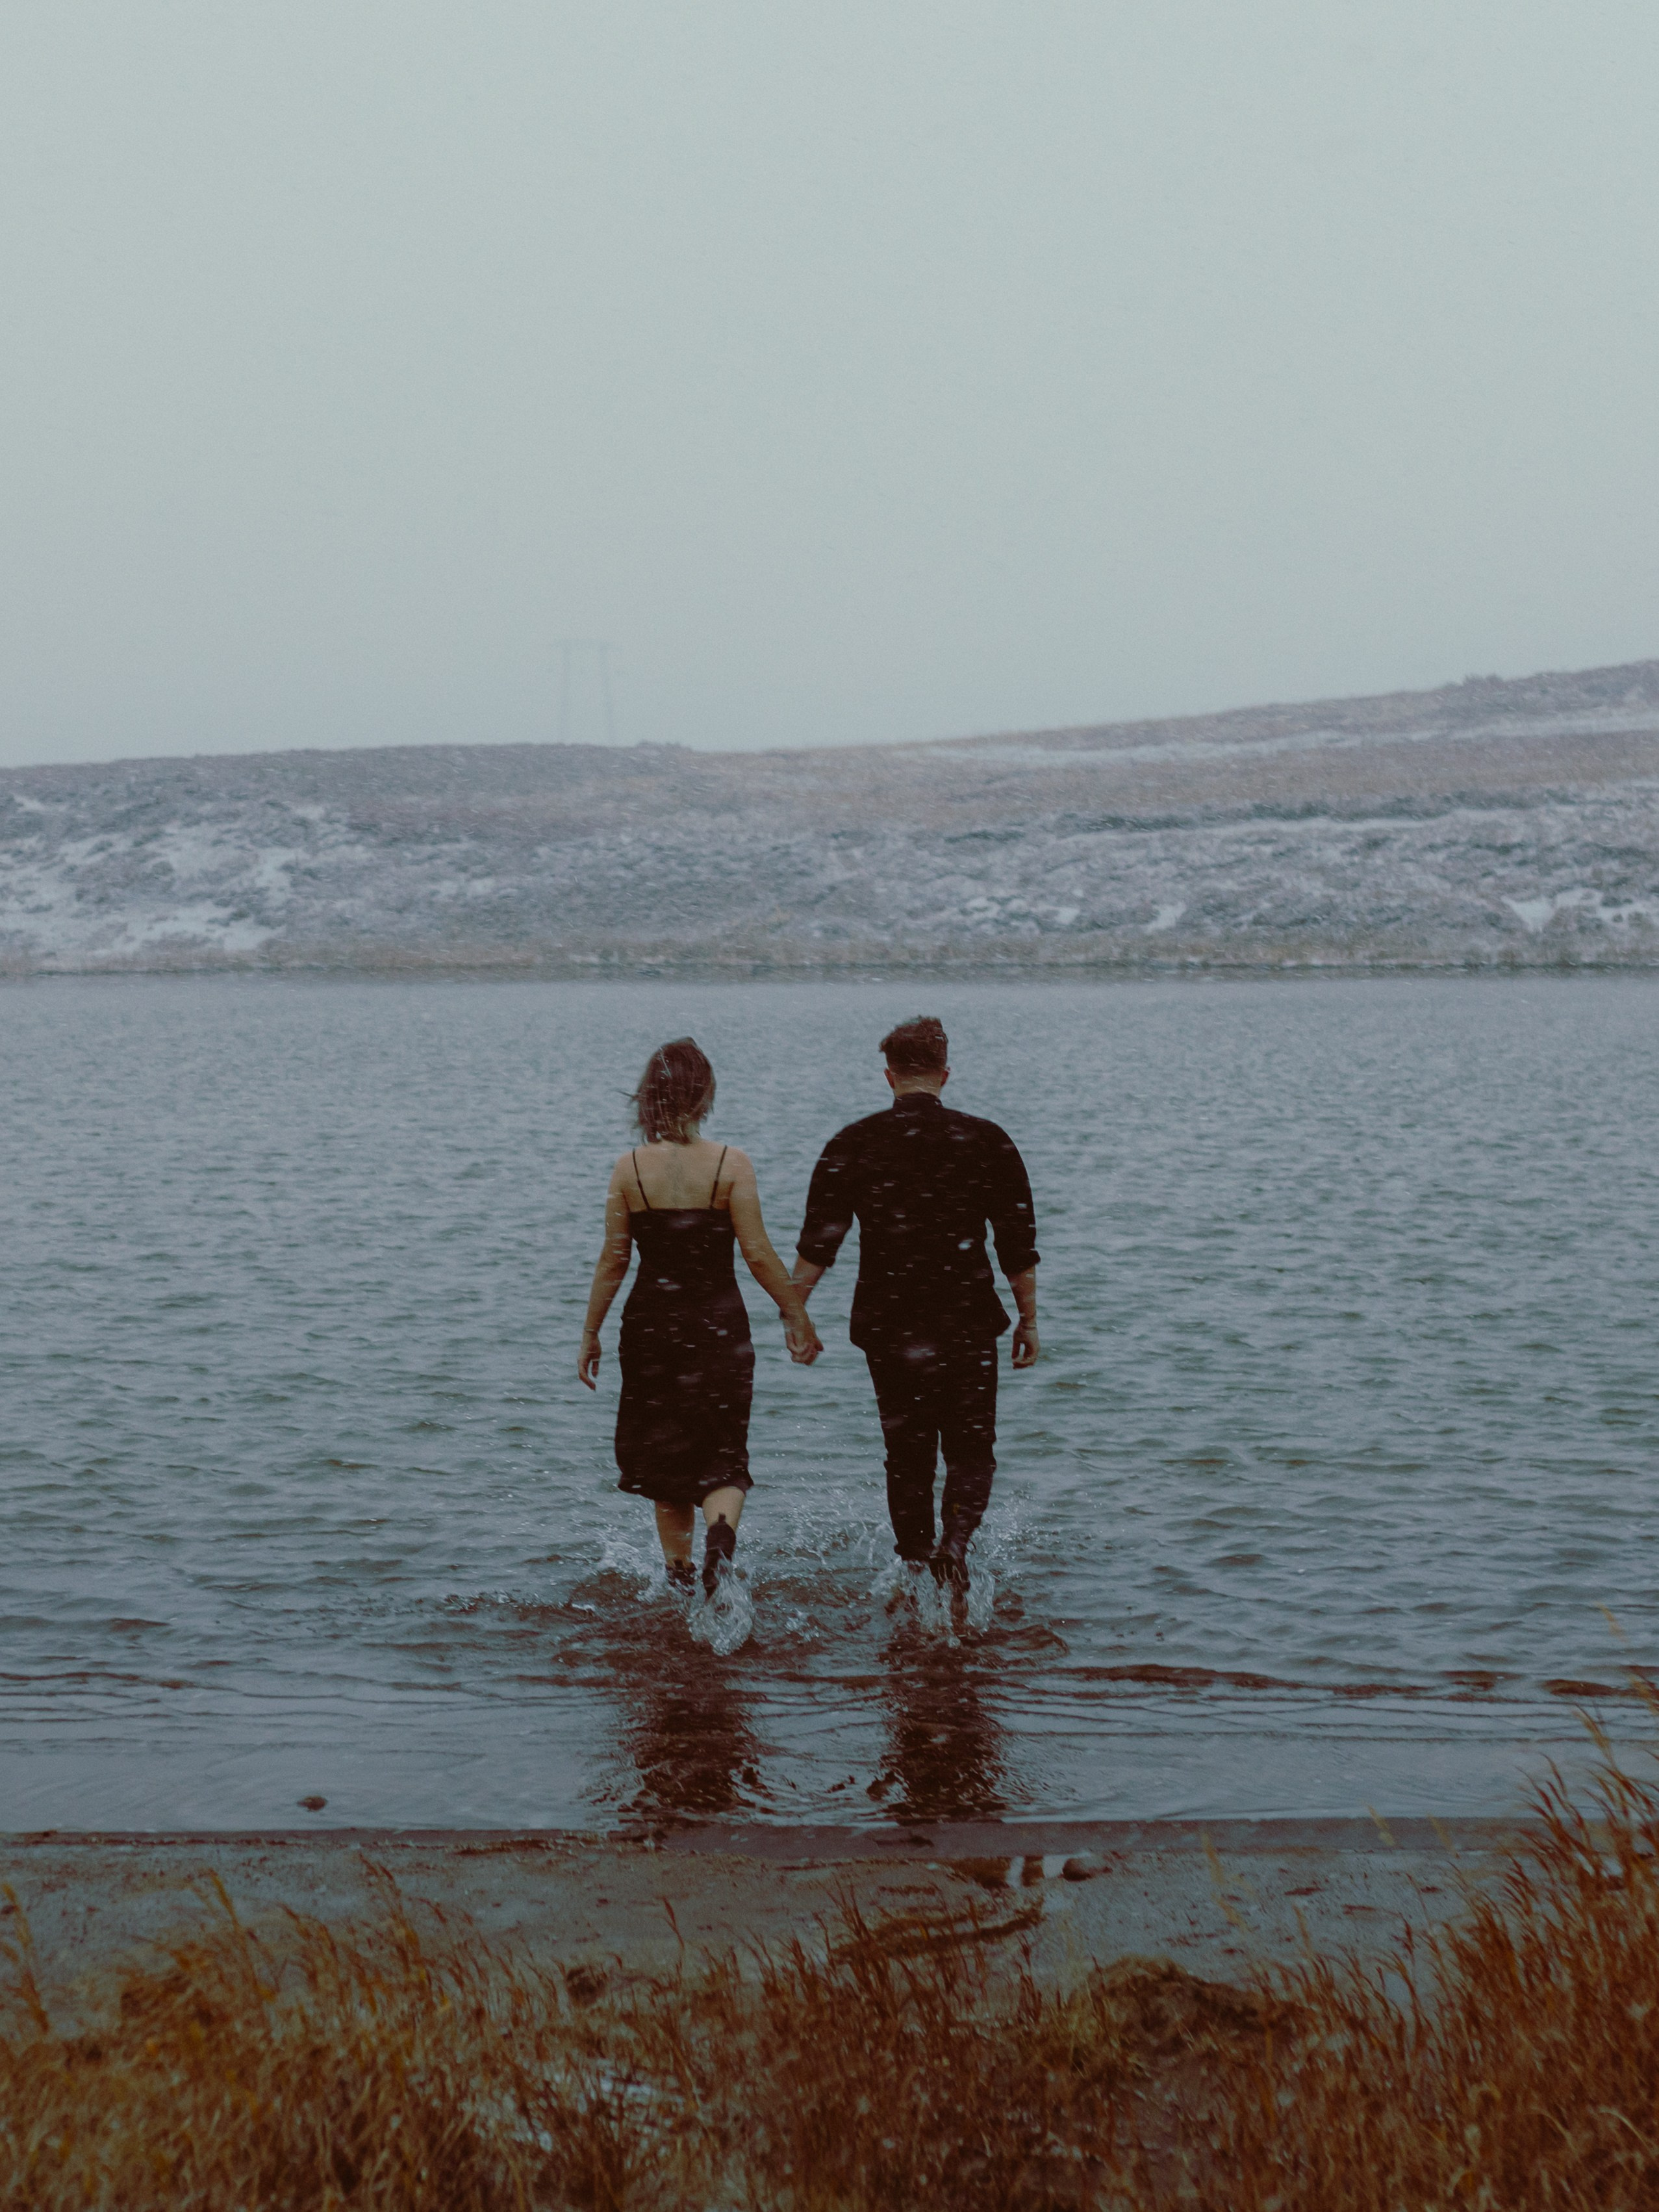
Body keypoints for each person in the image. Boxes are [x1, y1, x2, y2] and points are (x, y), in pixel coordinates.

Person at [791, 1016, 1039, 1590]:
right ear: (945, 1074)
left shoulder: (853, 1143)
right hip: (967, 1319)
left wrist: (794, 1313)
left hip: (890, 1324)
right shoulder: (987, 1140)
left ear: (889, 1076)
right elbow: (1017, 1245)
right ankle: (956, 1544)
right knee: (972, 1449)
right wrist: (1028, 1319)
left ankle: (915, 1568)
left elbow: (818, 1246)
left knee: (907, 1453)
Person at [579, 1037, 820, 1595]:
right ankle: (720, 1539)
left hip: (651, 1330)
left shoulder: (628, 1169)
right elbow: (757, 1253)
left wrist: (590, 1332)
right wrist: (796, 1315)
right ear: (705, 1094)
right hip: (717, 1327)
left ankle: (681, 1578)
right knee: (724, 1456)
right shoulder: (731, 1164)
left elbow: (614, 1260)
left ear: (649, 1096)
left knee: (666, 1464)